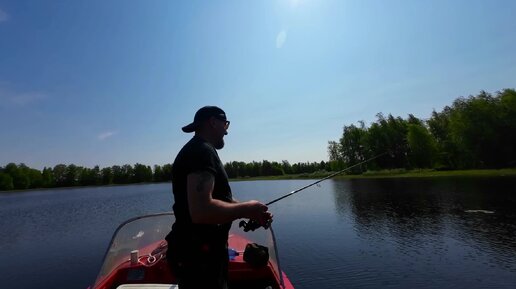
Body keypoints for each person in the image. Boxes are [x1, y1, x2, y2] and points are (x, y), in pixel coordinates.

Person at [165, 106, 273, 289]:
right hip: (199, 258)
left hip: (201, 254)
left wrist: (250, 211)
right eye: (225, 124)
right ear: (213, 122)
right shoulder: (201, 152)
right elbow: (201, 211)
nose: (227, 130)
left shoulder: (200, 150)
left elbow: (219, 198)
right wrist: (246, 208)